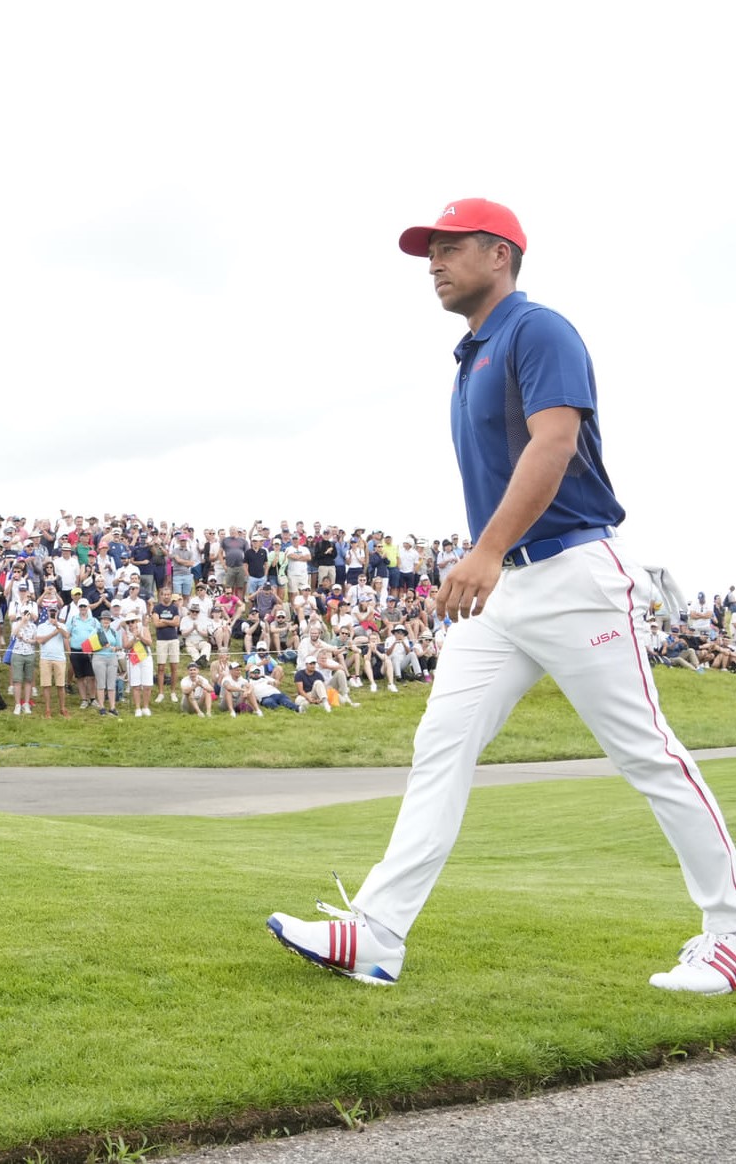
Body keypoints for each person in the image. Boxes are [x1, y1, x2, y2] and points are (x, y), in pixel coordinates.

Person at [268, 197, 736, 994]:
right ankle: (377, 933)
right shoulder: (470, 354)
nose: (432, 263)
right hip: (508, 589)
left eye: (448, 248)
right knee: (439, 745)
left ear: (499, 254)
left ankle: (729, 932)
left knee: (646, 753)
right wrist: (489, 558)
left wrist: (482, 551)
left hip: (574, 575)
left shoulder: (536, 328)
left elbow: (554, 445)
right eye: (429, 251)